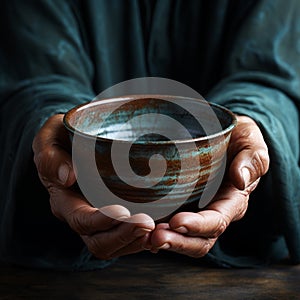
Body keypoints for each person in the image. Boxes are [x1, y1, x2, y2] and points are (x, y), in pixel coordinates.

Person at [0, 0, 299, 271]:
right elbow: (35, 72)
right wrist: (52, 131)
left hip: (232, 250)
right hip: (61, 251)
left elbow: (271, 73)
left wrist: (251, 126)